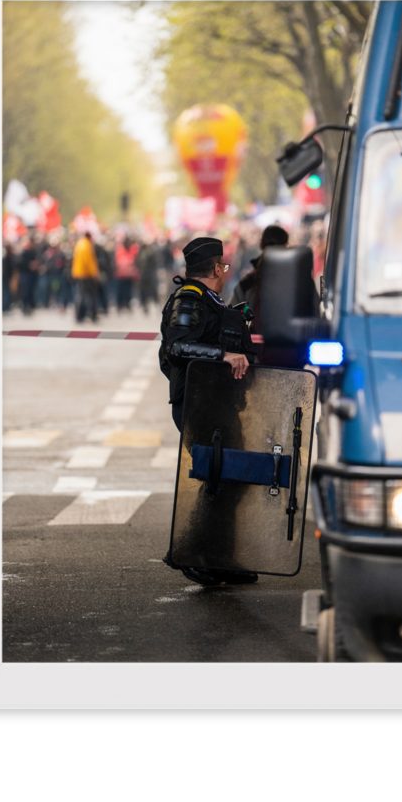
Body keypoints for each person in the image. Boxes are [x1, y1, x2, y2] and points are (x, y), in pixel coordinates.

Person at [158, 236, 258, 587]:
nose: (225, 272)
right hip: (198, 404)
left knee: (232, 476)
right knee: (220, 477)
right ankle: (189, 551)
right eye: (224, 267)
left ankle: (220, 558)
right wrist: (223, 356)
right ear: (216, 268)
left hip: (220, 402)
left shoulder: (213, 302)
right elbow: (177, 346)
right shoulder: (189, 299)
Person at [71, 231, 100, 323]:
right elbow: (89, 261)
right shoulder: (87, 245)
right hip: (86, 274)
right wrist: (94, 273)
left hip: (78, 273)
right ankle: (89, 315)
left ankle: (80, 315)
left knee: (80, 294)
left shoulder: (79, 244)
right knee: (89, 296)